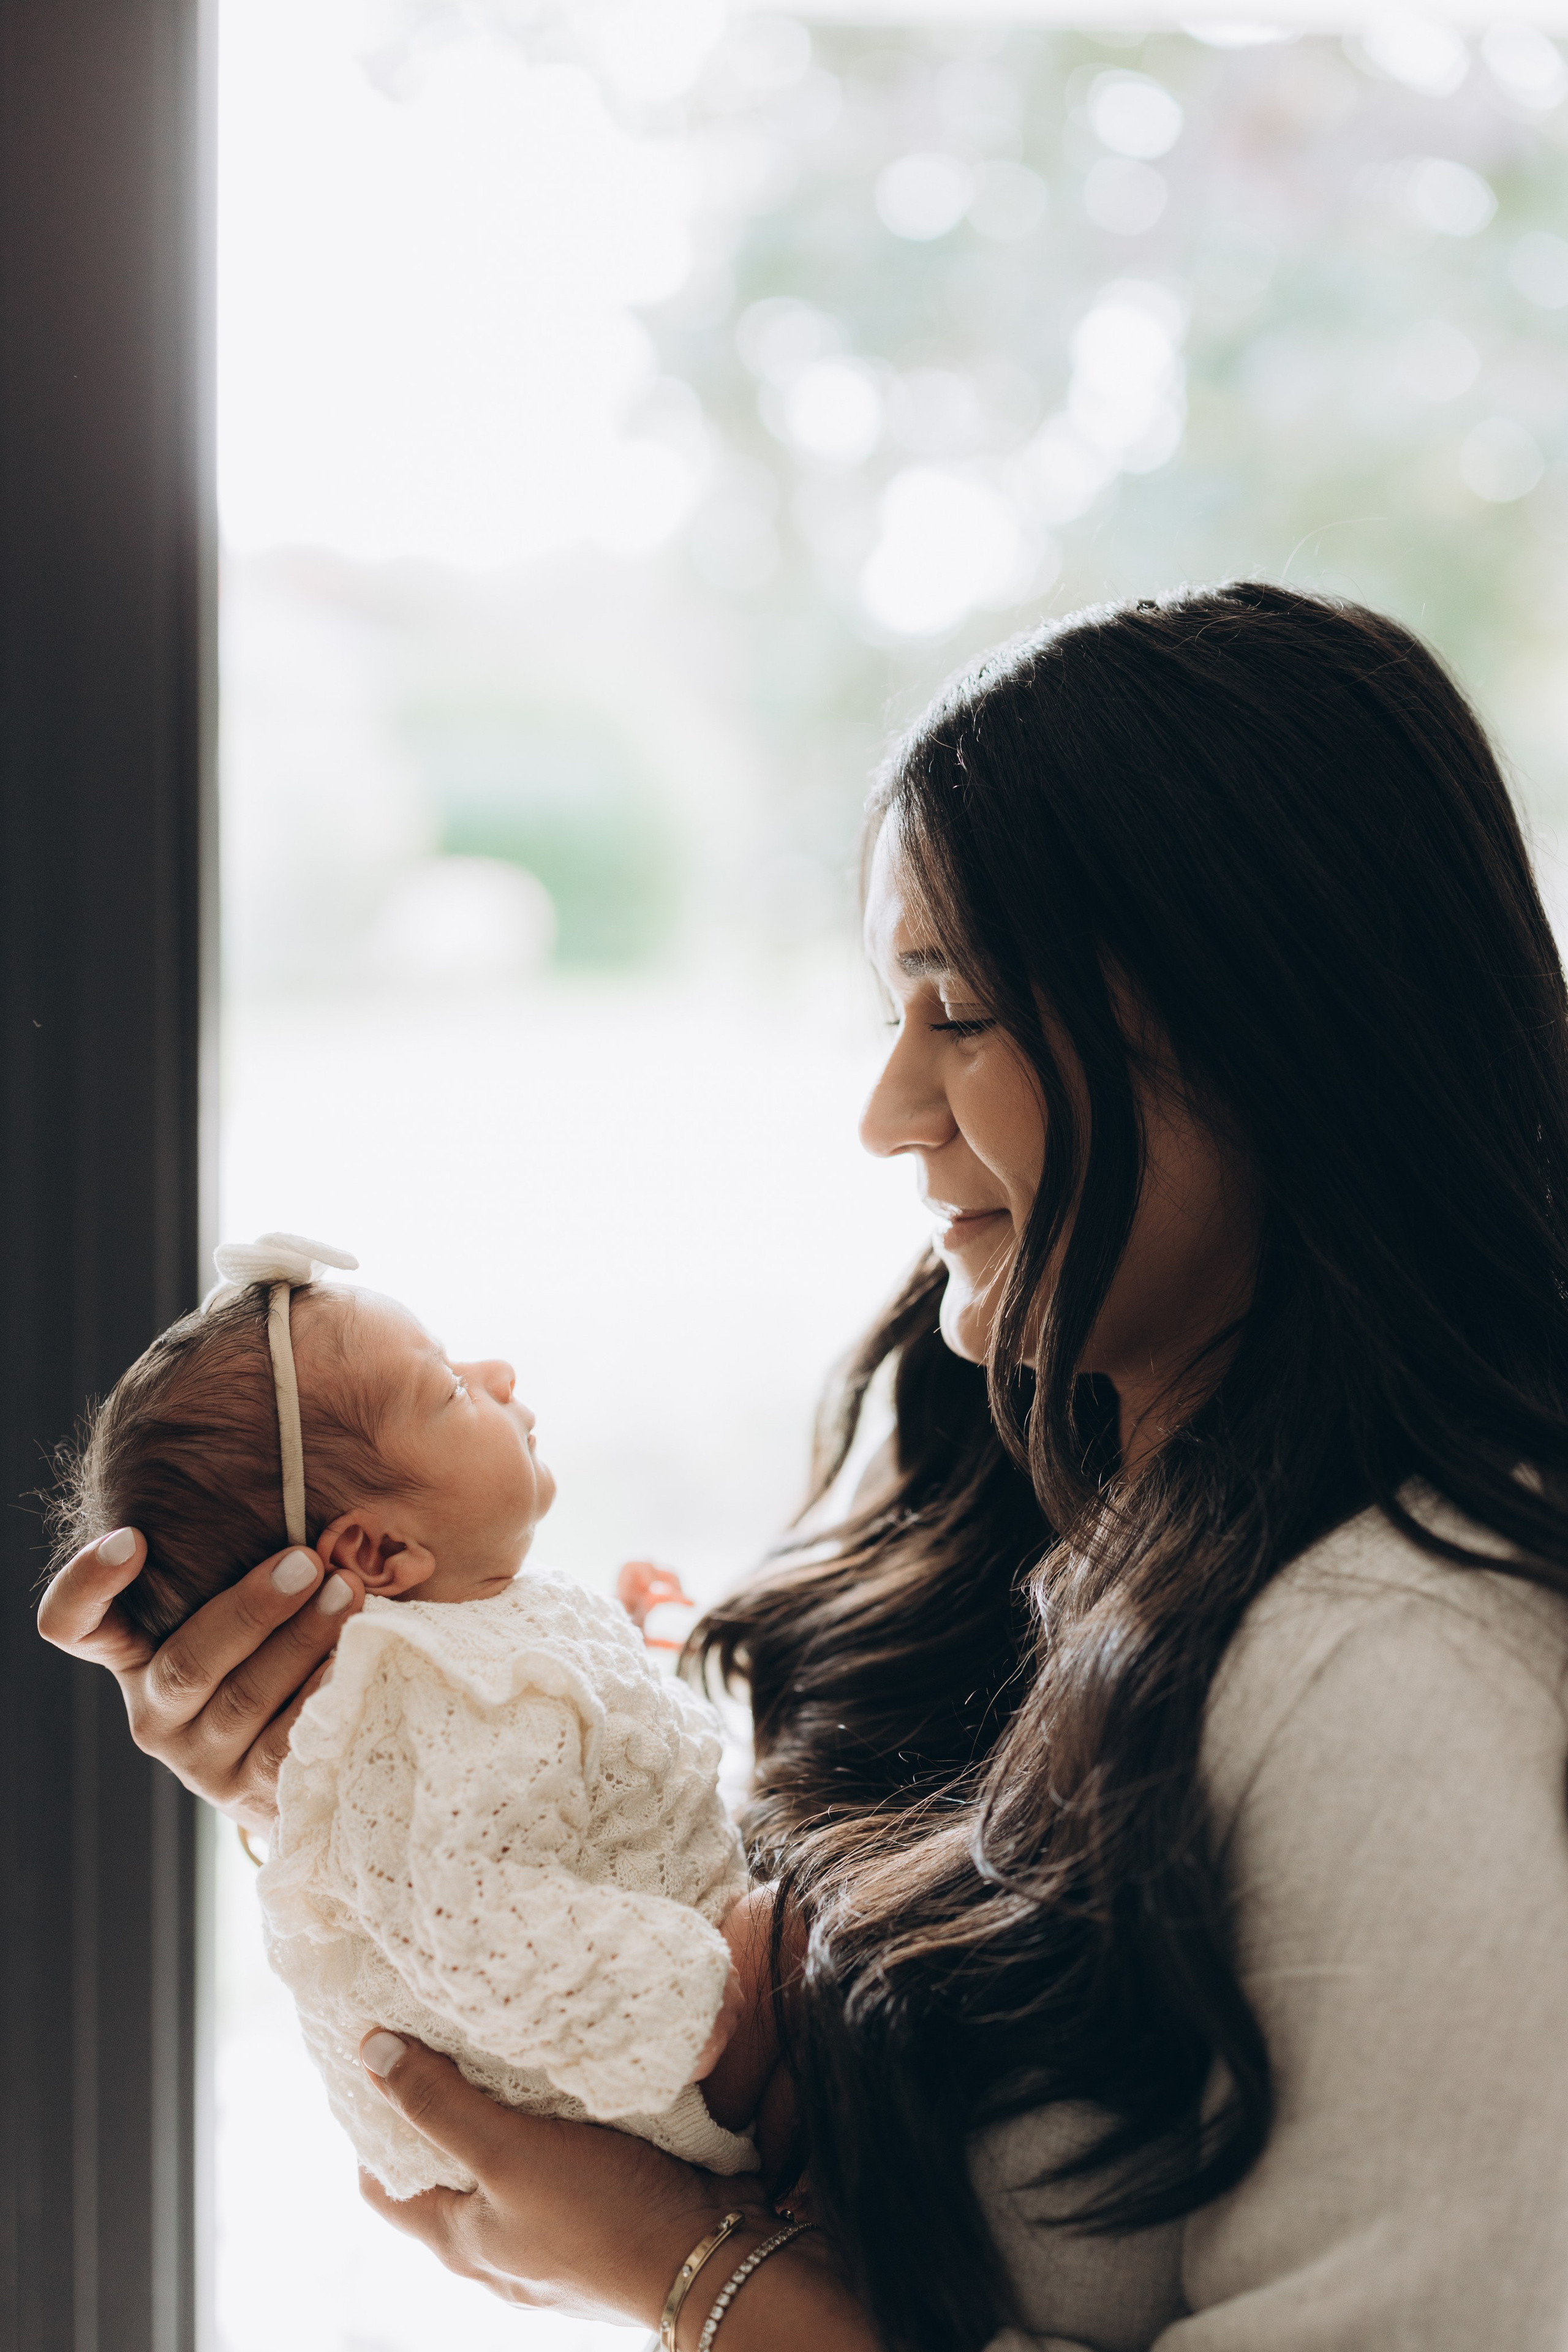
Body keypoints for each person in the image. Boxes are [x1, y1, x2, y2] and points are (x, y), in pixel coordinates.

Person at [39, 580, 1568, 2350]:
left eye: (963, 1011)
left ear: (1271, 1025)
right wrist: (337, 1763)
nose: (886, 1110)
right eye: (894, 1005)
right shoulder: (1038, 1500)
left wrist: (684, 2273)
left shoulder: (1399, 1674)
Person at [47, 1230, 776, 2195]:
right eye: (450, 1390)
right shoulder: (421, 1705)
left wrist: (632, 1639)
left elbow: (568, 1773)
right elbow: (465, 1909)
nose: (497, 1371)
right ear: (382, 1555)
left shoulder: (462, 1643)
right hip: (641, 2080)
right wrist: (678, 2004)